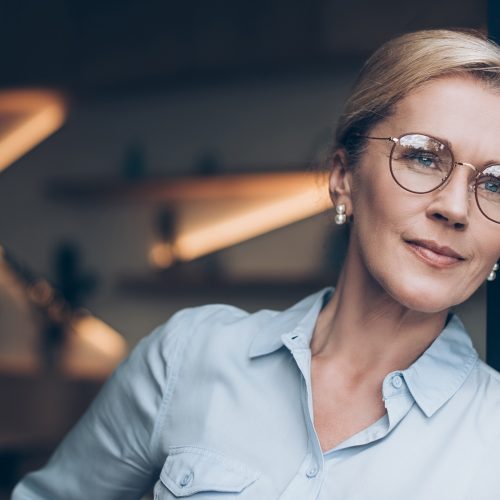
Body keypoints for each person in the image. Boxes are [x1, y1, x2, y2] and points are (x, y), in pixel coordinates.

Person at [12, 28, 500, 499]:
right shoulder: (189, 357)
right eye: (423, 158)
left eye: (495, 184)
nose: (455, 208)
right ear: (343, 177)